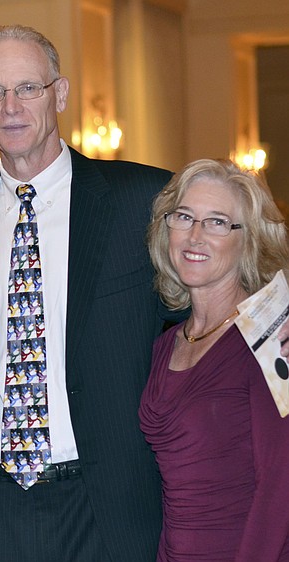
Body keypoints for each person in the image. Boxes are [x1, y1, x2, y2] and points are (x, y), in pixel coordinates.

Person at [0, 24, 178, 560]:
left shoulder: (142, 201)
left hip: (105, 504)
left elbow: (206, 313)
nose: (10, 106)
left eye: (27, 88)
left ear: (59, 93)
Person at [140, 158, 289, 561]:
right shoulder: (164, 345)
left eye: (218, 222)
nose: (195, 235)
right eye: (184, 216)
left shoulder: (273, 338)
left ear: (250, 239)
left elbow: (281, 489)